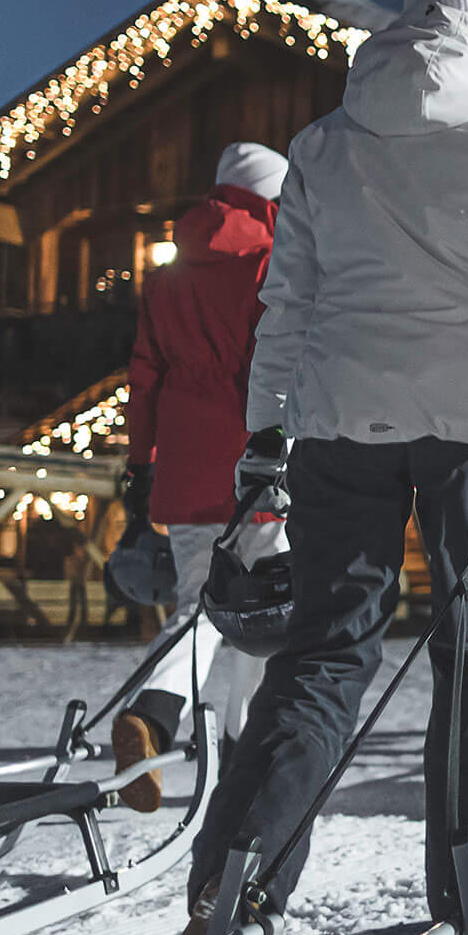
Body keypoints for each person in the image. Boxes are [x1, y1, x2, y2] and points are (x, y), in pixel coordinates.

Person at [182, 0, 468, 935]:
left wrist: (267, 432)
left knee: (323, 653)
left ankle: (238, 873)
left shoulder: (322, 146)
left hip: (337, 428)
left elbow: (289, 304)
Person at [111, 142, 292, 810]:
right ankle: (233, 745)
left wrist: (142, 464)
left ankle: (163, 715)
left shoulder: (168, 276)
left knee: (201, 605)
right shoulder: (270, 265)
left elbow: (144, 380)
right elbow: (284, 366)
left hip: (185, 470)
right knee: (266, 611)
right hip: (256, 463)